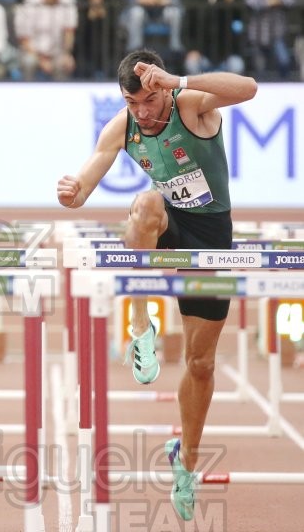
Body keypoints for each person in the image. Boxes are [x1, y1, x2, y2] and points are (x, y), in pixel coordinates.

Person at [56, 49, 256, 521]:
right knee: (144, 205)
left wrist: (179, 80)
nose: (142, 112)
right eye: (132, 103)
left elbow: (248, 88)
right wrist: (71, 193)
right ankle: (140, 325)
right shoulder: (122, 127)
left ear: (162, 89)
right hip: (168, 224)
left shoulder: (190, 106)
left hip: (211, 236)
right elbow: (83, 185)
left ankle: (185, 460)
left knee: (200, 362)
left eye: (148, 100)